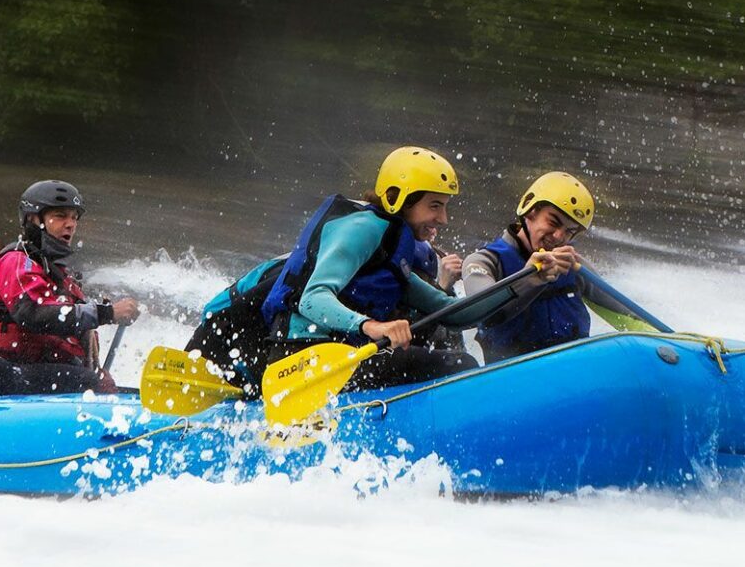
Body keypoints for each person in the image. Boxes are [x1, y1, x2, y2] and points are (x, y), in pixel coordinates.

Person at [259, 146, 508, 390]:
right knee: (459, 365)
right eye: (434, 205)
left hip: (343, 355)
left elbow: (452, 312)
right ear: (398, 198)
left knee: (450, 356)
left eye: (444, 206)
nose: (443, 218)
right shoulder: (363, 229)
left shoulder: (390, 245)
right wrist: (374, 326)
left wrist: (528, 280)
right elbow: (312, 298)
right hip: (302, 360)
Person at [0, 180, 139, 395]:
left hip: (34, 372)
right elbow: (32, 313)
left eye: (74, 218)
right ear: (34, 219)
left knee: (96, 381)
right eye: (60, 216)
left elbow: (76, 325)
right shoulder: (15, 261)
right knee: (83, 380)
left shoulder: (64, 280)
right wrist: (107, 312)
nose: (71, 224)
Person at [463, 171, 630, 363]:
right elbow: (483, 313)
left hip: (573, 371)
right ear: (530, 211)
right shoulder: (483, 261)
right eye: (553, 222)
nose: (559, 237)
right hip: (513, 378)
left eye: (569, 231)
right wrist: (528, 280)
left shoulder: (574, 265)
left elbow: (626, 313)